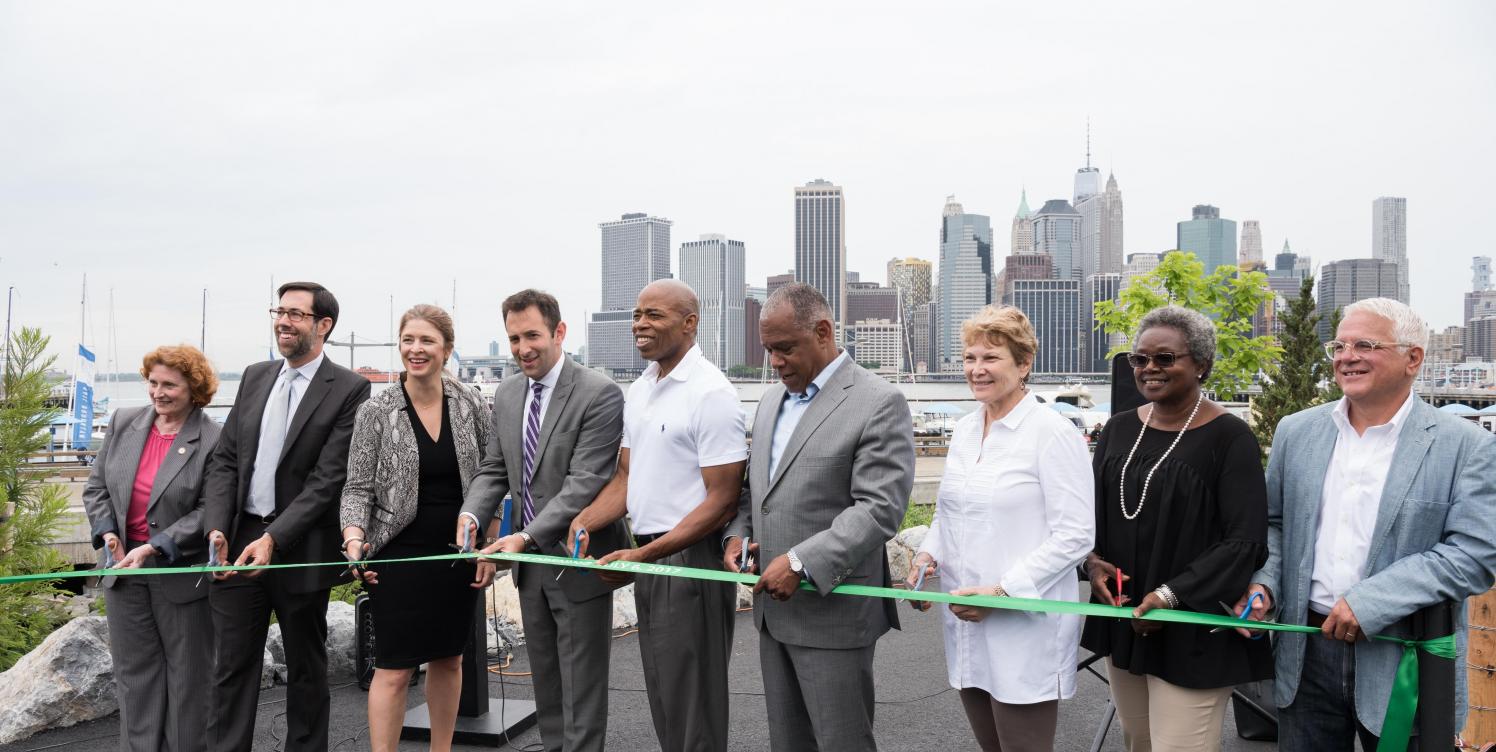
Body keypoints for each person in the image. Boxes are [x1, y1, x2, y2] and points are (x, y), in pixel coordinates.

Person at [1236, 298, 1496, 750]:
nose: (1345, 356)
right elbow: (1274, 525)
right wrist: (1265, 585)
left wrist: (1369, 601)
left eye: (1365, 344)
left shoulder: (1467, 446)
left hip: (1406, 657)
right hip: (1305, 653)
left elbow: (1474, 554)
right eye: (1339, 345)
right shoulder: (1295, 432)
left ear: (1413, 358)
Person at [723, 283, 916, 752]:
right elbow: (758, 490)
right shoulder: (771, 401)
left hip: (834, 613)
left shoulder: (879, 401)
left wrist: (798, 562)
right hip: (775, 616)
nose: (774, 362)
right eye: (768, 349)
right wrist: (738, 534)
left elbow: (879, 509)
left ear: (824, 332)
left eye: (785, 348)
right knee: (788, 743)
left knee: (841, 742)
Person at [1081, 305, 1272, 752]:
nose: (1149, 368)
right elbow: (1087, 516)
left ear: (1201, 365)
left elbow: (1246, 542)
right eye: (1139, 359)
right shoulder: (1118, 428)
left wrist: (1170, 596)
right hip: (1125, 616)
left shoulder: (1230, 437)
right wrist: (1090, 564)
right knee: (1139, 742)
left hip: (1191, 624)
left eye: (1165, 359)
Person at [568, 279, 747, 752]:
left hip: (690, 560)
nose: (639, 325)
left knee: (695, 705)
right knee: (665, 696)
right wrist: (584, 520)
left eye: (654, 315)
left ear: (690, 324)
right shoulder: (642, 388)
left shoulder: (712, 393)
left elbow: (722, 500)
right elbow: (627, 478)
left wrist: (645, 552)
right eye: (636, 314)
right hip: (652, 557)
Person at [906, 306, 1093, 752]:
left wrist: (1004, 592)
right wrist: (926, 555)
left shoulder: (1052, 432)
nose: (977, 369)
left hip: (1023, 625)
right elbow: (949, 513)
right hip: (966, 617)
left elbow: (1076, 535)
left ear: (1024, 364)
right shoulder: (968, 429)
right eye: (970, 358)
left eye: (991, 358)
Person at [201, 282, 371, 752]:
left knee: (306, 666)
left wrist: (275, 538)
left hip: (300, 546)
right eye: (279, 311)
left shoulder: (349, 389)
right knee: (232, 667)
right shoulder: (256, 376)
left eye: (296, 314)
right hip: (238, 543)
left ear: (323, 326)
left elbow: (328, 479)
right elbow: (226, 460)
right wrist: (217, 526)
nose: (283, 321)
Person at [460, 289, 629, 752]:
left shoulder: (599, 393)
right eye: (513, 338)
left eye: (531, 335)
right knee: (547, 686)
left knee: (582, 688)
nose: (522, 348)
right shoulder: (510, 392)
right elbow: (495, 468)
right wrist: (471, 514)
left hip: (575, 561)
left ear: (559, 332)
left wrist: (525, 537)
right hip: (530, 570)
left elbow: (584, 482)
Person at [338, 304, 489, 752]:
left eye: (427, 341)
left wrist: (489, 545)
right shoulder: (376, 410)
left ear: (447, 349)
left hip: (456, 553)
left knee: (448, 658)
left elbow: (491, 477)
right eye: (408, 340)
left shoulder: (471, 401)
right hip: (396, 554)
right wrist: (353, 539)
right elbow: (356, 487)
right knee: (395, 667)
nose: (416, 349)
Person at [82, 345, 222, 752]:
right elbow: (96, 488)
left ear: (194, 390)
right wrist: (108, 533)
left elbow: (208, 510)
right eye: (153, 382)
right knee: (135, 675)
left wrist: (155, 547)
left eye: (170, 386)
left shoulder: (213, 438)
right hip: (123, 570)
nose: (158, 393)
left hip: (178, 573)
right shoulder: (123, 422)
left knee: (188, 678)